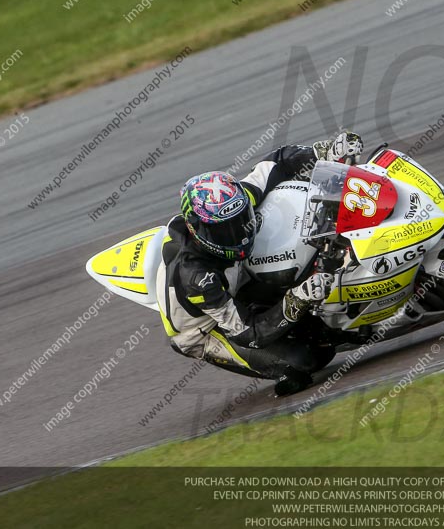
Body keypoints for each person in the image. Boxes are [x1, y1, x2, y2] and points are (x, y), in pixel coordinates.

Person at [156, 131, 364, 395]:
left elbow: (278, 161)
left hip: (237, 278)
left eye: (241, 220)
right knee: (306, 358)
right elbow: (247, 332)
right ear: (197, 230)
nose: (238, 234)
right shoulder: (198, 277)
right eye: (225, 231)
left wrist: (325, 152)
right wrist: (297, 300)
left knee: (300, 261)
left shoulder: (236, 199)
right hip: (210, 328)